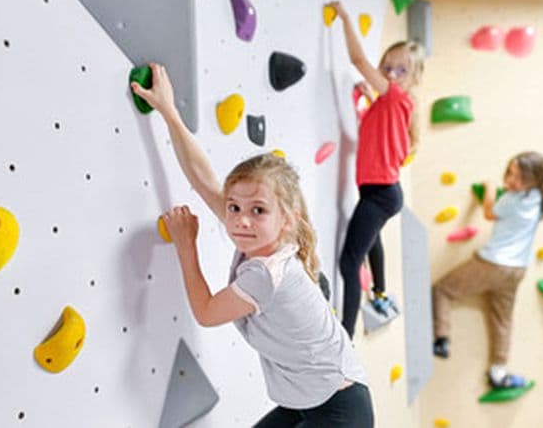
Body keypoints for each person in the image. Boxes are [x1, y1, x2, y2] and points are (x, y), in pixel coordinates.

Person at [131, 63, 373, 427]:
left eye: (257, 210)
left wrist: (186, 243)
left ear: (285, 218)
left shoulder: (265, 271)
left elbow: (207, 312)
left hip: (339, 409)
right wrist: (169, 112)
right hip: (311, 399)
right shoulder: (267, 238)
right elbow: (204, 180)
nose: (241, 220)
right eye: (234, 207)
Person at [326, 1, 425, 339]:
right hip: (381, 191)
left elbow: (356, 61)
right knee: (372, 240)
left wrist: (345, 17)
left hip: (381, 193)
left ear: (414, 79)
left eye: (401, 71)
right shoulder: (391, 103)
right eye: (388, 66)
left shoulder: (397, 97)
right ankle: (380, 290)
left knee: (347, 263)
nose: (390, 75)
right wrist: (369, 97)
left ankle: (345, 338)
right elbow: (372, 130)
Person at [432, 151, 543, 389]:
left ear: (533, 182)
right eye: (511, 172)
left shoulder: (511, 199)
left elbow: (490, 213)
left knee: (443, 290)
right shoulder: (538, 198)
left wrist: (489, 188)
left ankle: (441, 338)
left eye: (519, 177)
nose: (511, 180)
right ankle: (498, 372)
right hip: (517, 270)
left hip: (493, 264)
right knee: (502, 320)